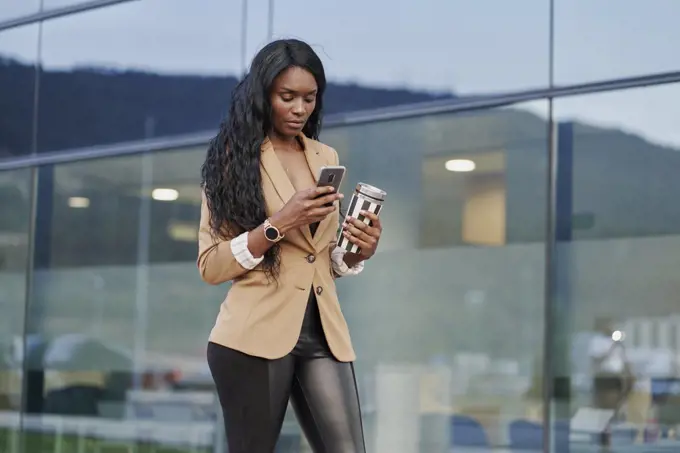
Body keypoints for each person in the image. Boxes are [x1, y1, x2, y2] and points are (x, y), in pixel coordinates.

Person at [198, 39, 382, 453]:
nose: (300, 109)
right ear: (263, 95)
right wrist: (279, 224)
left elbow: (317, 258)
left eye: (309, 98)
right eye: (287, 97)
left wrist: (356, 251)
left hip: (323, 332)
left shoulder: (323, 155)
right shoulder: (232, 159)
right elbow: (211, 265)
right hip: (252, 336)